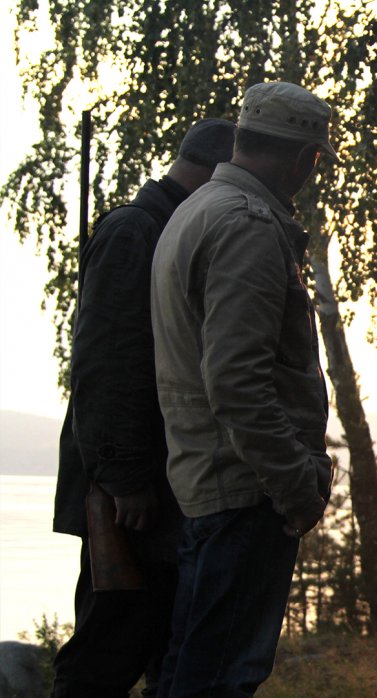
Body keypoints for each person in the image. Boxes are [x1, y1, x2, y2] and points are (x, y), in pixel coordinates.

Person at [150, 81, 337, 696]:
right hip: (244, 490)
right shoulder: (248, 226)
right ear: (304, 158)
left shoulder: (198, 208)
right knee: (220, 679)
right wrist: (297, 486)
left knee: (190, 670)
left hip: (212, 480)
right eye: (316, 162)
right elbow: (236, 384)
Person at [51, 118, 237, 698]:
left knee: (158, 645)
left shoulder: (168, 226)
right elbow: (106, 364)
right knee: (107, 653)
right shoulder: (138, 230)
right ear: (216, 172)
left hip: (155, 483)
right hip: (130, 494)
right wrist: (125, 477)